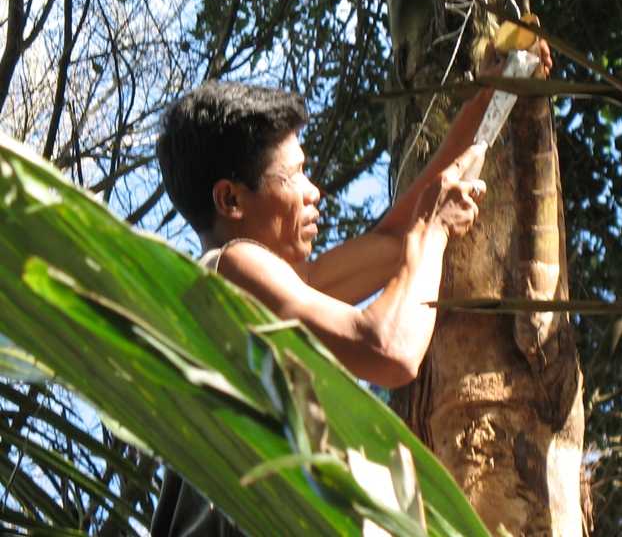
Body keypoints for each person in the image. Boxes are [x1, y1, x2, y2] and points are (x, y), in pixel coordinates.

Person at [151, 40, 551, 535]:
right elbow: (388, 349)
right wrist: (435, 232)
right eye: (295, 174)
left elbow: (390, 240)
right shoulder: (230, 267)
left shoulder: (271, 294)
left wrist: (485, 101)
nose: (313, 190)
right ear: (231, 199)